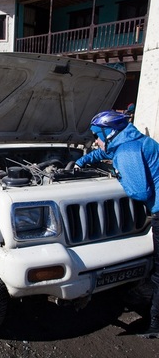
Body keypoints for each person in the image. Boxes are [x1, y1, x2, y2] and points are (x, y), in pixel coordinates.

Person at [75, 110, 159, 338]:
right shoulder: (133, 140)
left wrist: (118, 173)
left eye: (97, 135)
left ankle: (155, 326)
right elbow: (104, 152)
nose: (95, 140)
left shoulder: (127, 152)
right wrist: (80, 161)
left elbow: (140, 191)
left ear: (109, 133)